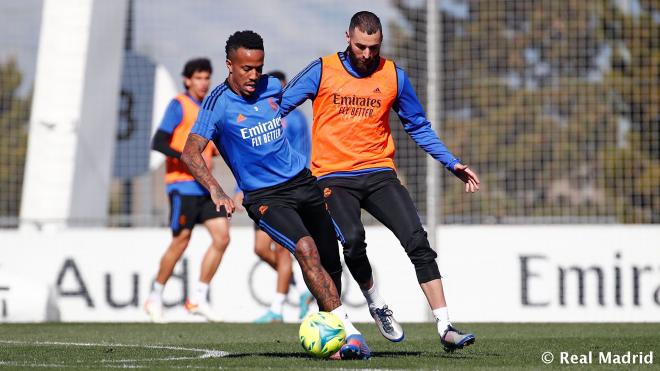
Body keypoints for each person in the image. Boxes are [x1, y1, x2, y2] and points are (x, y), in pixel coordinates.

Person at [280, 11, 480, 352]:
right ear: (347, 37)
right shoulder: (322, 70)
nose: (367, 55)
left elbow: (417, 125)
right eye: (361, 46)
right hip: (333, 178)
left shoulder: (393, 76)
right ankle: (375, 303)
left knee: (417, 240)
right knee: (353, 241)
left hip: (378, 174)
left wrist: (451, 162)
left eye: (374, 47)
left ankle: (446, 327)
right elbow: (278, 107)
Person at [181, 30, 370, 360]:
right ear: (229, 65)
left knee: (330, 259)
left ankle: (334, 337)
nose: (255, 76)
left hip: (303, 183)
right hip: (266, 197)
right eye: (246, 69)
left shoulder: (274, 89)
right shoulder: (217, 104)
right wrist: (217, 191)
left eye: (259, 67)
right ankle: (352, 334)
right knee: (305, 249)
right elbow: (191, 152)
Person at [145, 58, 230, 323]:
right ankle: (155, 296)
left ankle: (197, 298)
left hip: (205, 187)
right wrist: (186, 156)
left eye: (207, 77)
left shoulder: (208, 110)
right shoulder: (178, 105)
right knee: (181, 241)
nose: (204, 83)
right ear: (187, 80)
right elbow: (158, 141)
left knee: (222, 237)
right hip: (182, 187)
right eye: (198, 78)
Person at [232, 70, 314, 324]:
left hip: (285, 190)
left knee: (281, 248)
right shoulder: (259, 118)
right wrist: (239, 190)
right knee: (260, 248)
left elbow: (302, 151)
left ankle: (277, 308)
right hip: (260, 191)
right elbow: (249, 156)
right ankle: (301, 290)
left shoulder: (295, 119)